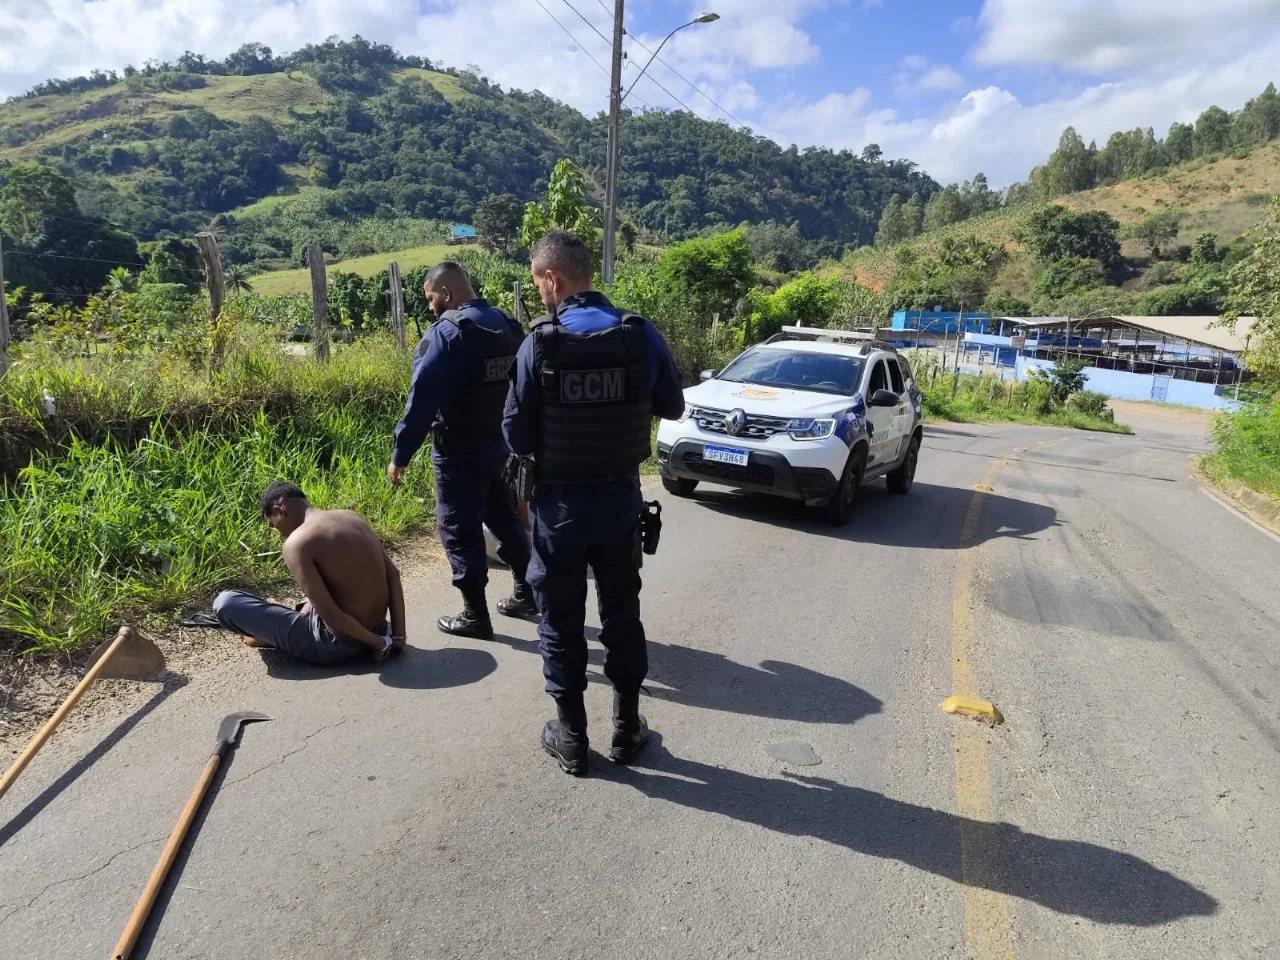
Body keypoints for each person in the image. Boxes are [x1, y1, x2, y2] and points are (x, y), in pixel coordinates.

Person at [504, 230, 685, 775]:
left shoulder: (538, 342)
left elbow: (514, 436)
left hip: (558, 508)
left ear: (552, 279)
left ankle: (573, 737)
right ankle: (628, 730)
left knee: (559, 620)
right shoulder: (639, 335)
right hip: (620, 503)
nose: (540, 294)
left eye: (539, 283)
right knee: (621, 612)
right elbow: (672, 406)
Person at [388, 262, 538, 639]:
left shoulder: (447, 333)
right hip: (502, 447)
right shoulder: (507, 325)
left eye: (431, 297)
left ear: (448, 294)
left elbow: (422, 398)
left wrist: (400, 453)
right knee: (505, 518)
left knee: (459, 529)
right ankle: (526, 594)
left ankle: (475, 616)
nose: (429, 306)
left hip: (458, 452)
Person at [213, 482, 407, 665]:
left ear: (280, 510)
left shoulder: (296, 544)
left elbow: (330, 614)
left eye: (273, 525)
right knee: (309, 601)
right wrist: (398, 635)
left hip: (337, 643)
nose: (278, 533)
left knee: (226, 603)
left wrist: (379, 643)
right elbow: (393, 575)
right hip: (380, 628)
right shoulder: (353, 517)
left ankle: (270, 636)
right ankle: (275, 627)